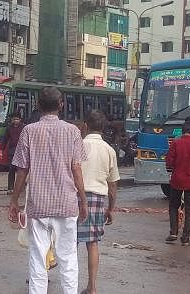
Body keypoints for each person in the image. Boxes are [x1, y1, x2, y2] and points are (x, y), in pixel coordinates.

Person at [8, 86, 88, 294]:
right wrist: (84, 201)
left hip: (38, 205)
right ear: (61, 105)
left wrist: (14, 201)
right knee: (68, 257)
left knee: (37, 257)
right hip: (66, 204)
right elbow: (77, 169)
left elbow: (21, 170)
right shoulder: (73, 131)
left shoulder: (29, 131)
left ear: (37, 105)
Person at [77, 110, 120, 294]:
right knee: (92, 243)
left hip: (76, 197)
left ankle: (68, 284)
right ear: (103, 129)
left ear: (86, 126)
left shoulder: (78, 145)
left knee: (69, 243)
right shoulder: (109, 150)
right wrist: (110, 209)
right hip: (97, 199)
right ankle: (92, 287)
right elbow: (112, 186)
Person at [4, 113, 25, 192]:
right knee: (11, 169)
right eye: (14, 119)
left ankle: (21, 187)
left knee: (21, 170)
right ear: (12, 120)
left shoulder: (24, 127)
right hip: (12, 151)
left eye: (17, 119)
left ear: (20, 120)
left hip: (22, 151)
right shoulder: (9, 128)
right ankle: (10, 188)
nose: (16, 121)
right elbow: (5, 139)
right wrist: (1, 150)